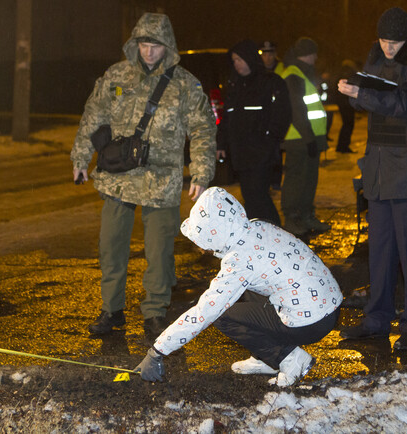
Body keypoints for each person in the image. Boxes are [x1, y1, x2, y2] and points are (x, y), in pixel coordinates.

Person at [71, 13, 217, 336]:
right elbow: (92, 116)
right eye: (143, 44)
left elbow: (203, 128)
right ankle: (112, 310)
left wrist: (201, 172)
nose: (148, 52)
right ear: (134, 44)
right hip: (119, 177)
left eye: (155, 45)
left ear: (168, 46)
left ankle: (155, 311)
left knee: (159, 250)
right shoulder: (116, 75)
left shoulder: (184, 85)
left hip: (161, 180)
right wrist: (81, 156)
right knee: (110, 246)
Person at [134, 187, 342, 385]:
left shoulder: (240, 261)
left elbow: (204, 312)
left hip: (311, 321)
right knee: (247, 291)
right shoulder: (257, 226)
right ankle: (267, 356)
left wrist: (157, 351)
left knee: (223, 316)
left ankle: (290, 359)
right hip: (328, 306)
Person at [337, 7, 407, 350]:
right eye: (383, 41)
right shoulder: (377, 53)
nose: (387, 48)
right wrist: (354, 91)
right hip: (381, 170)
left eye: (394, 43)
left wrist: (364, 95)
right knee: (380, 252)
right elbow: (371, 98)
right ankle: (377, 319)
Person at [216, 39, 291, 226]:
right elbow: (227, 118)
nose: (237, 64)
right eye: (234, 61)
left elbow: (282, 114)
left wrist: (269, 139)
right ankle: (258, 237)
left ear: (249, 58)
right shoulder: (235, 86)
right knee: (250, 197)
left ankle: (276, 235)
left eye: (240, 59)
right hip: (241, 154)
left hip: (261, 154)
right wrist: (221, 143)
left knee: (259, 196)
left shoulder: (270, 82)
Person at [279, 37, 330, 236]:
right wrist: (309, 138)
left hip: (309, 138)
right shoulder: (294, 74)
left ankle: (306, 216)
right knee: (296, 180)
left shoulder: (303, 73)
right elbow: (297, 111)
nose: (316, 57)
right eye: (314, 53)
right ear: (309, 54)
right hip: (299, 139)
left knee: (309, 179)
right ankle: (292, 219)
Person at [259, 40, 285, 189]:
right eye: (264, 53)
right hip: (262, 118)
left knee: (276, 152)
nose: (267, 57)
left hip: (277, 116)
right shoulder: (256, 71)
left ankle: (275, 182)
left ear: (275, 54)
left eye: (270, 53)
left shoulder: (283, 70)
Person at [334, 59, 359, 153]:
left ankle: (342, 146)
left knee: (347, 124)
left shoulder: (342, 73)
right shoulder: (348, 74)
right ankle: (343, 146)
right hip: (346, 103)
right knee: (348, 124)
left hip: (344, 102)